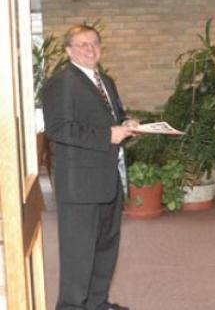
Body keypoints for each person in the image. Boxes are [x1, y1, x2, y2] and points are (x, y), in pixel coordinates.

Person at [43, 24, 137, 310]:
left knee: (105, 248)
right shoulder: (60, 83)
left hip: (108, 178)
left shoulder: (105, 81)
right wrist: (108, 135)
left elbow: (112, 118)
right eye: (82, 44)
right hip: (79, 185)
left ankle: (97, 303)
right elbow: (58, 129)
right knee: (78, 253)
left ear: (101, 48)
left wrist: (127, 124)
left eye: (94, 43)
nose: (89, 49)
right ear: (68, 50)